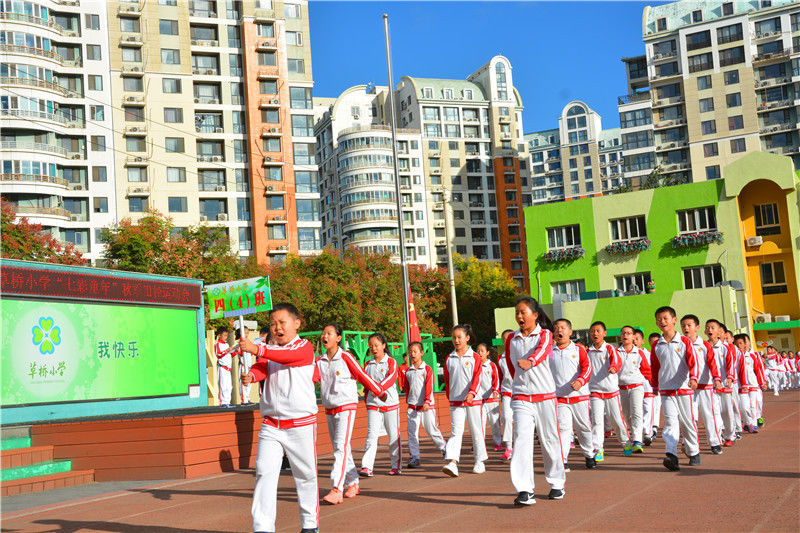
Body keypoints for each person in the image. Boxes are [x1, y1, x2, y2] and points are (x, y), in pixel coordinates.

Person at [239, 302, 319, 533]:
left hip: (300, 423)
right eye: (273, 324)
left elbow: (286, 357)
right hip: (272, 424)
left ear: (296, 324)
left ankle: (310, 525)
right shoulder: (271, 348)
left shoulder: (304, 347)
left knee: (305, 475)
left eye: (282, 323)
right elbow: (262, 367)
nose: (277, 328)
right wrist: (251, 376)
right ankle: (262, 528)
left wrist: (257, 349)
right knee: (264, 472)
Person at [315, 323, 388, 505]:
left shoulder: (346, 357)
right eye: (324, 333)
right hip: (329, 408)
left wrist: (379, 391)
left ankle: (336, 488)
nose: (325, 336)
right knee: (342, 448)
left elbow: (362, 375)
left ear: (338, 338)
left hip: (346, 406)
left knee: (340, 448)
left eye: (329, 333)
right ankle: (354, 482)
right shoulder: (320, 361)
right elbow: (309, 378)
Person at [505, 296, 565, 506]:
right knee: (521, 440)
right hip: (522, 397)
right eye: (517, 313)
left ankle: (556, 482)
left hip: (545, 396)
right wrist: (519, 384)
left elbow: (541, 352)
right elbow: (512, 367)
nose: (520, 316)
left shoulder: (546, 335)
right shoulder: (511, 339)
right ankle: (524, 489)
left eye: (524, 312)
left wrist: (530, 362)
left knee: (549, 440)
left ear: (535, 315)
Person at [650, 306, 700, 471]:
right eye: (659, 319)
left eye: (665, 318)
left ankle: (693, 452)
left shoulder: (685, 341)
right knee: (670, 423)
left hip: (684, 388)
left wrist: (693, 378)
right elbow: (655, 367)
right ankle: (671, 454)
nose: (662, 322)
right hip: (666, 390)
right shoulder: (657, 344)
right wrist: (655, 385)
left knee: (688, 423)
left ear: (674, 320)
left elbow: (693, 361)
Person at [442, 324, 487, 477]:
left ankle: (479, 461)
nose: (456, 340)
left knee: (476, 431)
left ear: (467, 338)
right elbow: (447, 381)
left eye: (459, 337)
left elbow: (477, 377)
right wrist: (450, 395)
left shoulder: (475, 357)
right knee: (456, 432)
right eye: (454, 337)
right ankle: (453, 462)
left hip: (473, 401)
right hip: (456, 402)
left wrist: (472, 393)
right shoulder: (449, 358)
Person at [550, 318, 595, 470]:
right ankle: (563, 461)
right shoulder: (550, 352)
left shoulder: (578, 350)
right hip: (560, 398)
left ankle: (589, 455)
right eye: (556, 328)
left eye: (562, 328)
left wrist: (580, 381)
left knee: (583, 428)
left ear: (570, 332)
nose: (559, 331)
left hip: (579, 396)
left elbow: (587, 368)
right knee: (563, 429)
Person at [587, 321, 632, 461]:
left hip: (611, 391)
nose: (595, 334)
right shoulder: (588, 351)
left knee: (617, 420)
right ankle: (598, 449)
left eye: (598, 331)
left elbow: (617, 362)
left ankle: (626, 443)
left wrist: (614, 367)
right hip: (595, 391)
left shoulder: (609, 348)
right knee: (597, 421)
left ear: (604, 333)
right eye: (593, 331)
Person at [680, 315, 724, 455]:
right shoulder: (680, 344)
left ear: (697, 328)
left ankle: (715, 442)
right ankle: (688, 443)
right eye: (683, 326)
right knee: (689, 417)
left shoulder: (704, 345)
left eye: (689, 325)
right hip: (687, 387)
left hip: (705, 386)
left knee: (709, 415)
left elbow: (712, 363)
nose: (686, 328)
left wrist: (717, 379)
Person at [360, 333, 402, 477]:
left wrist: (378, 389)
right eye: (371, 346)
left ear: (384, 345)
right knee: (371, 435)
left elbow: (391, 379)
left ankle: (396, 465)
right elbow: (365, 382)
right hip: (373, 405)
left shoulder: (391, 362)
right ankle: (367, 466)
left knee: (393, 436)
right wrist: (367, 397)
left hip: (390, 404)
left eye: (376, 345)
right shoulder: (368, 364)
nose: (373, 348)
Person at [401, 341, 446, 468]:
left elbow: (429, 386)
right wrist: (409, 401)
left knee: (432, 430)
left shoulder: (427, 369)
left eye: (415, 351)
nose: (412, 354)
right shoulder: (408, 371)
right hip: (412, 408)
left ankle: (444, 448)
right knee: (412, 433)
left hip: (426, 407)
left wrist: (427, 401)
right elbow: (407, 387)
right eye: (410, 351)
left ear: (421, 353)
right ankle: (415, 457)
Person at [617, 325, 651, 454]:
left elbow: (646, 370)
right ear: (620, 336)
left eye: (629, 333)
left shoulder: (639, 352)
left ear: (633, 337)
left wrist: (654, 385)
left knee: (637, 412)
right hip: (621, 388)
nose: (626, 335)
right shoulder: (615, 352)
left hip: (636, 386)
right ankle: (634, 433)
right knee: (626, 415)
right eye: (623, 333)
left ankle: (637, 440)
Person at [705, 319, 737, 447]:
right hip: (711, 386)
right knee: (715, 412)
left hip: (725, 385)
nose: (710, 330)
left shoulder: (725, 348)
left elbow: (731, 365)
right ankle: (718, 437)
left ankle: (730, 435)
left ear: (719, 332)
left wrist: (729, 378)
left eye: (713, 328)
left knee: (727, 412)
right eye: (707, 328)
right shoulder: (704, 347)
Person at [734, 333, 766, 433]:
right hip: (741, 385)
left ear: (746, 343)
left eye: (742, 342)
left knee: (753, 404)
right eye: (737, 343)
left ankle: (754, 424)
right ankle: (748, 423)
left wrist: (762, 382)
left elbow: (758, 370)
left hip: (753, 384)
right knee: (744, 406)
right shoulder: (735, 355)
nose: (739, 345)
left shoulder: (753, 355)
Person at [477, 343, 502, 452]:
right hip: (479, 400)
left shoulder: (491, 365)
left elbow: (496, 379)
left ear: (487, 353)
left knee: (494, 423)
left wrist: (496, 391)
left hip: (492, 400)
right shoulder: (474, 365)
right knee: (480, 424)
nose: (480, 353)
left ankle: (498, 443)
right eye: (478, 351)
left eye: (482, 351)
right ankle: (480, 444)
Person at [497, 329, 515, 461]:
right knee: (506, 417)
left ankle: (521, 447)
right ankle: (509, 447)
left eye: (510, 338)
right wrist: (498, 391)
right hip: (507, 392)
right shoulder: (500, 358)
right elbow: (500, 376)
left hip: (522, 393)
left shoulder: (521, 354)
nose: (507, 341)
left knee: (521, 421)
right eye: (505, 339)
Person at [214, 327, 233, 408]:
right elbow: (218, 354)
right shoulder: (217, 344)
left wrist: (234, 350)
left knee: (229, 386)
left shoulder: (226, 344)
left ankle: (228, 401)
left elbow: (230, 355)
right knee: (223, 386)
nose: (226, 337)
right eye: (224, 335)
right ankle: (223, 402)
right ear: (219, 335)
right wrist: (227, 350)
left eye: (226, 335)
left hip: (228, 369)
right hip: (222, 368)